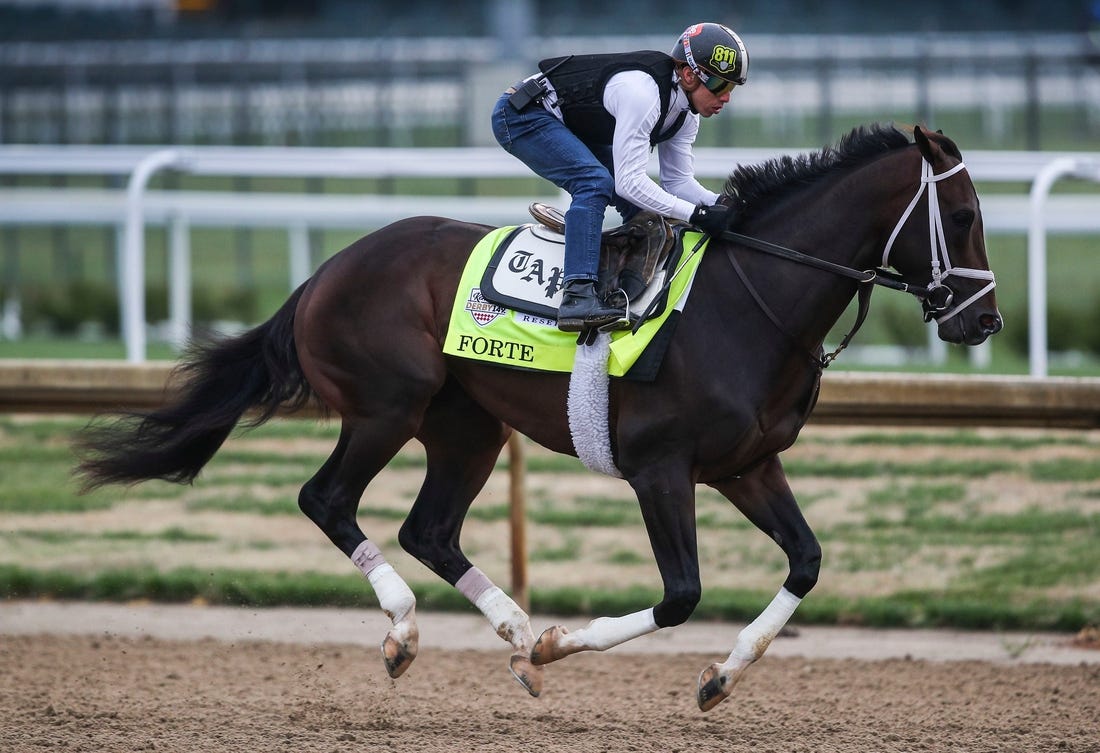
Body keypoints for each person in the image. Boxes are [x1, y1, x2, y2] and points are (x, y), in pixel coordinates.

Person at [491, 22, 748, 332]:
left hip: (568, 122)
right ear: (689, 74)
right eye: (721, 85)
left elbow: (678, 183)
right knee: (594, 182)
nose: (727, 98)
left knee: (646, 214)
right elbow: (628, 183)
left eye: (732, 88)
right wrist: (698, 214)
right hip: (522, 114)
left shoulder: (685, 115)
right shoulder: (644, 94)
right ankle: (576, 295)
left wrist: (723, 205)